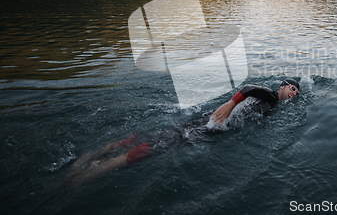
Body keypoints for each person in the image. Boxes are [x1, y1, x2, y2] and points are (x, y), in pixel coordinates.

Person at [67, 78, 300, 184]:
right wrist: (230, 104)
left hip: (211, 122)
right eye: (292, 88)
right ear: (282, 85)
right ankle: (94, 170)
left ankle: (92, 156)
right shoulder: (269, 94)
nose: (294, 93)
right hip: (214, 124)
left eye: (297, 92)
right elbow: (249, 87)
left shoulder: (274, 106)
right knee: (159, 145)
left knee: (162, 136)